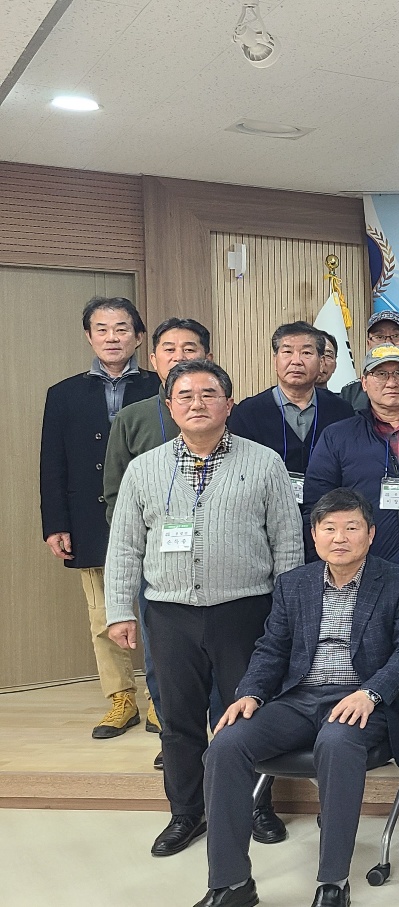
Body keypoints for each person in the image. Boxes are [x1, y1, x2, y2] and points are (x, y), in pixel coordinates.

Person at [103, 359, 303, 858]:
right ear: (170, 406)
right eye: (185, 396)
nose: (197, 403)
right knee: (179, 719)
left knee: (249, 713)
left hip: (246, 610)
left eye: (209, 394)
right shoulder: (144, 469)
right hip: (169, 614)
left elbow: (288, 544)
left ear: (229, 404)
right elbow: (124, 545)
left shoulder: (264, 463)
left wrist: (288, 615)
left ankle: (255, 806)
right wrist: (119, 610)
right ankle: (186, 813)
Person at [193, 489, 399, 907]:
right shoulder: (294, 584)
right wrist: (250, 693)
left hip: (360, 700)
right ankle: (231, 883)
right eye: (329, 528)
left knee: (336, 743)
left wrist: (371, 692)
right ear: (314, 535)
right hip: (298, 698)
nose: (340, 538)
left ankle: (333, 881)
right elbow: (271, 649)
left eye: (351, 527)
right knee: (226, 745)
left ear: (370, 534)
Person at [41, 296, 161, 739]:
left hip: (152, 517)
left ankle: (160, 698)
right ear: (88, 336)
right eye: (102, 329)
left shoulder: (161, 388)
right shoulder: (63, 393)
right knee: (102, 614)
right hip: (89, 519)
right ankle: (120, 698)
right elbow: (52, 463)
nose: (112, 338)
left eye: (122, 328)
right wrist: (56, 523)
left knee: (157, 611)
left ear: (139, 336)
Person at [103, 316, 213, 746]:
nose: (179, 356)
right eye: (170, 349)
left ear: (207, 356)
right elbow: (115, 493)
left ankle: (229, 747)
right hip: (160, 562)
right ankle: (175, 739)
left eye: (190, 349)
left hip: (221, 561)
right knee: (164, 658)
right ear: (153, 358)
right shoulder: (132, 417)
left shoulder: (221, 410)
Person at [305, 345, 399, 610]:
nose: (391, 382)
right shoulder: (338, 436)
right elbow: (317, 504)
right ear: (364, 382)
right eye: (380, 374)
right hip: (358, 572)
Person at [228, 321, 357, 521]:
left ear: (321, 362)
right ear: (275, 360)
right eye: (287, 352)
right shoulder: (248, 413)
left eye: (306, 353)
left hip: (329, 520)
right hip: (266, 518)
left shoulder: (341, 411)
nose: (296, 361)